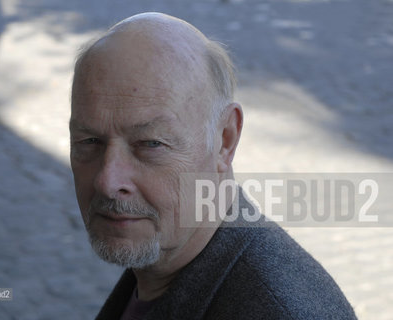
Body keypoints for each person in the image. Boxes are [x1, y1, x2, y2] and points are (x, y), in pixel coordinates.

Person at [69, 12, 357, 320]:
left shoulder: (279, 310)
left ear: (225, 139)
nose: (107, 181)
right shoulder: (162, 267)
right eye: (89, 141)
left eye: (150, 144)